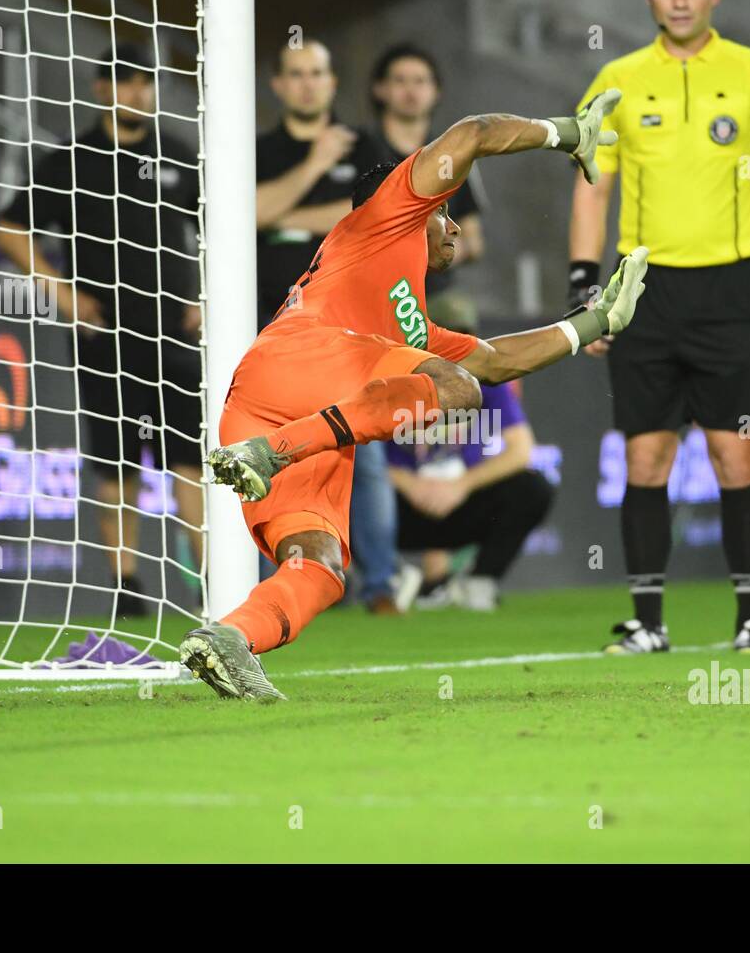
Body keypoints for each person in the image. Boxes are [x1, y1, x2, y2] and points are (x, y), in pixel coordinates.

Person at [179, 92, 648, 699]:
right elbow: (476, 129)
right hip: (302, 364)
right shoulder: (387, 212)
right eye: (445, 212)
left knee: (320, 565)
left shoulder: (415, 326)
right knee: (455, 389)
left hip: (277, 411)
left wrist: (595, 322)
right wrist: (565, 133)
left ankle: (231, 641)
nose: (451, 224)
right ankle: (269, 453)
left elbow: (498, 360)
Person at [567, 0, 750, 655]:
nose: (679, 0)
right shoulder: (616, 80)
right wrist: (584, 290)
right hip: (643, 289)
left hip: (732, 288)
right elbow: (592, 186)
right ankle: (648, 623)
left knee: (735, 456)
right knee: (645, 457)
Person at [0, 43, 203, 618]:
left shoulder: (178, 155)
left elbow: (219, 227)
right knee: (116, 462)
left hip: (174, 335)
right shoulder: (71, 160)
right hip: (103, 336)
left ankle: (211, 580)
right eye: (127, 82)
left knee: (188, 458)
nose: (139, 92)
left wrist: (207, 295)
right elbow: (11, 229)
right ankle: (125, 584)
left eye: (147, 82)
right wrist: (62, 293)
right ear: (101, 89)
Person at [256, 40, 399, 613]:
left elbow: (374, 215)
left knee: (364, 456)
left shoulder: (366, 144)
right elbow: (241, 211)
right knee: (276, 457)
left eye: (317, 73)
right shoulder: (257, 148)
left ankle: (381, 584)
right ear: (278, 85)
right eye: (296, 74)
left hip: (349, 325)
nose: (307, 84)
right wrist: (314, 165)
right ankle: (310, 575)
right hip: (270, 326)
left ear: (333, 81)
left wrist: (277, 215)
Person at [386, 376, 553, 612]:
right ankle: (385, 575)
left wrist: (461, 485)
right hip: (396, 504)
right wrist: (409, 484)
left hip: (460, 500)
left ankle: (480, 579)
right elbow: (358, 455)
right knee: (341, 490)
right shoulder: (386, 375)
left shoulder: (485, 379)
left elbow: (521, 450)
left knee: (532, 488)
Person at [368, 43, 487, 319]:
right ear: (380, 89)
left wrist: (428, 256)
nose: (410, 90)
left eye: (420, 81)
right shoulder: (360, 149)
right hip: (369, 291)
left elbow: (474, 242)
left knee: (459, 314)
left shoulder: (455, 154)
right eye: (400, 80)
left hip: (433, 296)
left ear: (436, 91)